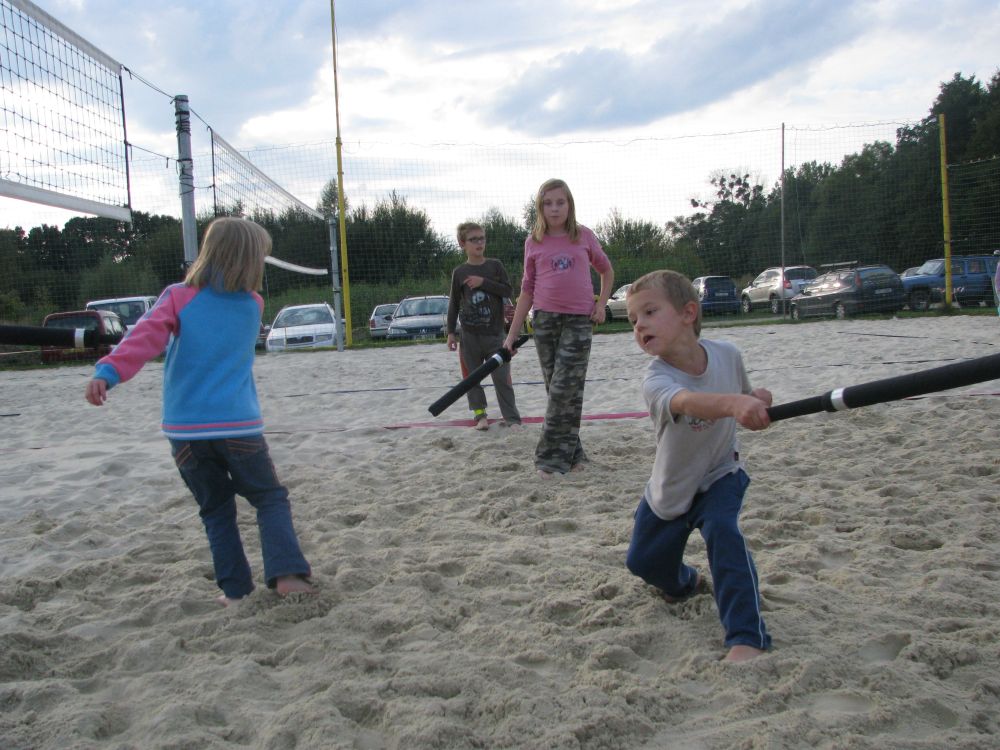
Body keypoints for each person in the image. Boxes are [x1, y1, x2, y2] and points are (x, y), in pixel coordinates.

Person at [85, 217, 316, 607]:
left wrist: (108, 373)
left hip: (186, 430)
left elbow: (144, 338)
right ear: (250, 260)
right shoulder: (253, 304)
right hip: (238, 425)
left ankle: (235, 592)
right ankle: (288, 575)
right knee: (269, 498)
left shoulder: (179, 296)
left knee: (216, 510)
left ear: (210, 252)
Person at [623, 270, 772, 662]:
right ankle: (686, 582)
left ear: (688, 313)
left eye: (650, 312)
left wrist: (756, 401)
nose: (639, 325)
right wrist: (736, 404)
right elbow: (689, 402)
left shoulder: (728, 355)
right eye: (633, 320)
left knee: (724, 531)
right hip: (672, 488)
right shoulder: (656, 379)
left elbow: (742, 399)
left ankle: (746, 637)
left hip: (721, 472)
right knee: (643, 563)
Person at [502, 178, 614, 477]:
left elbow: (606, 270)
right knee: (558, 391)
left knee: (565, 388)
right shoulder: (533, 241)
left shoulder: (584, 236)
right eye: (548, 203)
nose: (554, 208)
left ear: (569, 204)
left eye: (560, 202)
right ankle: (575, 457)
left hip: (579, 320)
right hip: (544, 321)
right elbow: (527, 289)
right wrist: (511, 335)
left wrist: (601, 305)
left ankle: (549, 460)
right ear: (540, 207)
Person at [446, 221, 522, 431]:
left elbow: (507, 291)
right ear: (462, 243)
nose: (479, 243)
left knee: (502, 378)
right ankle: (480, 417)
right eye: (473, 239)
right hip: (469, 335)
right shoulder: (459, 272)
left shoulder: (495, 266)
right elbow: (453, 303)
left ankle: (512, 419)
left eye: (482, 238)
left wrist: (483, 283)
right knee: (472, 379)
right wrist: (451, 332)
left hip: (495, 334)